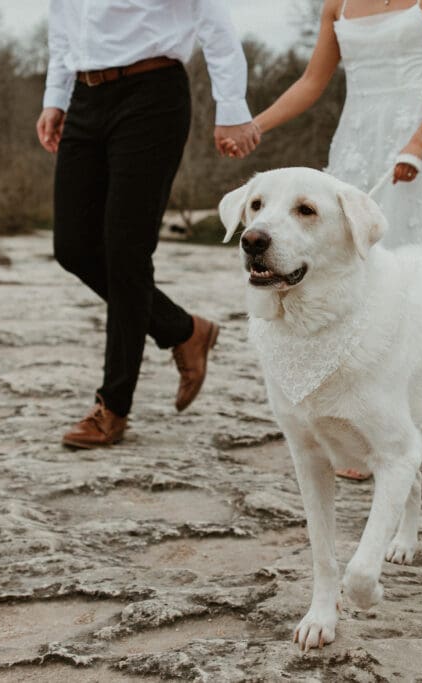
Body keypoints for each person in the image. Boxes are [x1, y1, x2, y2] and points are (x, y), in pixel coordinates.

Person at [245, 0, 422, 479]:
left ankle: (405, 417)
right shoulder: (337, 5)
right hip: (356, 146)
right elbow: (311, 82)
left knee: (412, 274)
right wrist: (255, 124)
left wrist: (419, 141)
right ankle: (354, 420)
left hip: (417, 147)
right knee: (350, 273)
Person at [37, 0, 260, 449]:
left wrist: (231, 106)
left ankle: (112, 407)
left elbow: (211, 18)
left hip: (151, 94)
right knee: (74, 248)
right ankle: (183, 330)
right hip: (85, 95)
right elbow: (64, 26)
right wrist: (56, 99)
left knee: (126, 253)